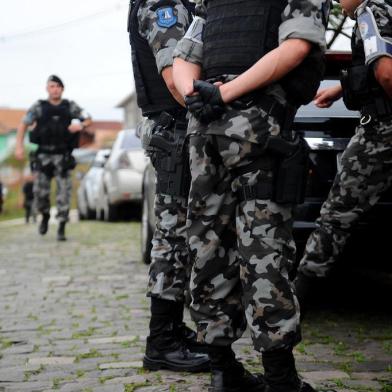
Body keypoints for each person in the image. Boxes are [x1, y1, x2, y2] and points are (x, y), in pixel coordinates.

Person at [172, 0, 338, 391]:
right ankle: (281, 380)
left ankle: (223, 371)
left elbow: (183, 58)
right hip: (255, 128)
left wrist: (196, 95)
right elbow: (296, 46)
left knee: (207, 245)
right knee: (264, 250)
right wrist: (224, 93)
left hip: (205, 131)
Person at [294, 0, 392, 312]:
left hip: (382, 132)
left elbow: (387, 73)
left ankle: (296, 300)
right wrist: (343, 87)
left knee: (336, 214)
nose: (338, 1)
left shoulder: (372, 11)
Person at [128, 0, 209, 373]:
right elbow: (175, 79)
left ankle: (173, 330)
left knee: (180, 234)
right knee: (173, 236)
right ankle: (161, 340)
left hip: (178, 127)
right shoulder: (163, 4)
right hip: (175, 130)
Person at [15, 75, 92, 241]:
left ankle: (62, 227)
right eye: (52, 86)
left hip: (63, 156)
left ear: (62, 89)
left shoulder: (70, 106)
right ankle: (44, 216)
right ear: (47, 89)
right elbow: (23, 124)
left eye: (58, 86)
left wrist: (80, 125)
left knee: (64, 193)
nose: (55, 89)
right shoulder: (38, 107)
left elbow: (88, 119)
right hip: (43, 156)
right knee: (40, 193)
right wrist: (19, 147)